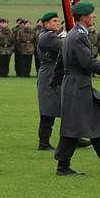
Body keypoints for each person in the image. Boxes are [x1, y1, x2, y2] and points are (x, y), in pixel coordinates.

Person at [52, 1, 100, 176]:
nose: (94, 17)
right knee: (73, 126)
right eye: (91, 14)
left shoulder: (73, 34)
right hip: (76, 85)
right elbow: (87, 62)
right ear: (83, 18)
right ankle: (63, 167)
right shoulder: (78, 36)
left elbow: (60, 60)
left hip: (76, 84)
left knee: (95, 121)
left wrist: (55, 81)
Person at [35, 12, 62, 150]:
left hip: (53, 72)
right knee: (48, 110)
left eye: (58, 21)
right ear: (46, 24)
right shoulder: (49, 36)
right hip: (50, 74)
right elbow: (64, 48)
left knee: (66, 107)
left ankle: (73, 138)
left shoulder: (47, 35)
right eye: (54, 21)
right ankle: (44, 142)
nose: (58, 23)